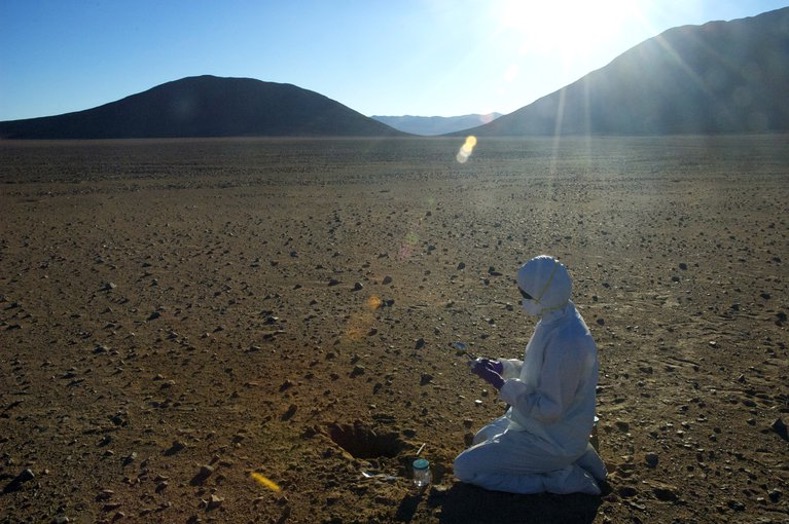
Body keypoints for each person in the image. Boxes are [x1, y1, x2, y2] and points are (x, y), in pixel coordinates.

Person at [453, 255, 607, 494]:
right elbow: (542, 372)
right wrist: (504, 367)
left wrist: (502, 385)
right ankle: (569, 459)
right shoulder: (557, 315)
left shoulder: (568, 341)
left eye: (526, 295)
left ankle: (560, 477)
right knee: (480, 440)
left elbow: (549, 409)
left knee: (465, 468)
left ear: (544, 294)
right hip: (539, 426)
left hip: (553, 440)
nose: (523, 300)